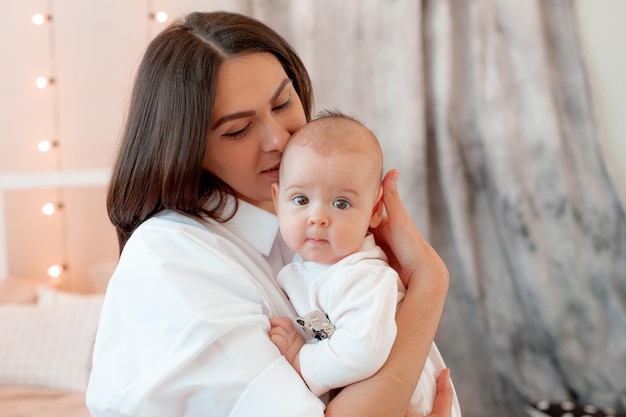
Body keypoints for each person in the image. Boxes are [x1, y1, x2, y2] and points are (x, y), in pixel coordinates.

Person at [86, 11, 453, 417]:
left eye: (282, 103)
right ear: (187, 148)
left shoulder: (310, 231)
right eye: (238, 130)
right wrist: (429, 283)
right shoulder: (170, 259)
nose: (279, 139)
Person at [269, 111, 462, 417]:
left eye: (341, 203)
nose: (317, 217)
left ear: (374, 212)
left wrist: (302, 359)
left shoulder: (362, 275)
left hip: (410, 402)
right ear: (278, 202)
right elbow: (328, 325)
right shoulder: (313, 269)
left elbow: (361, 351)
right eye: (301, 200)